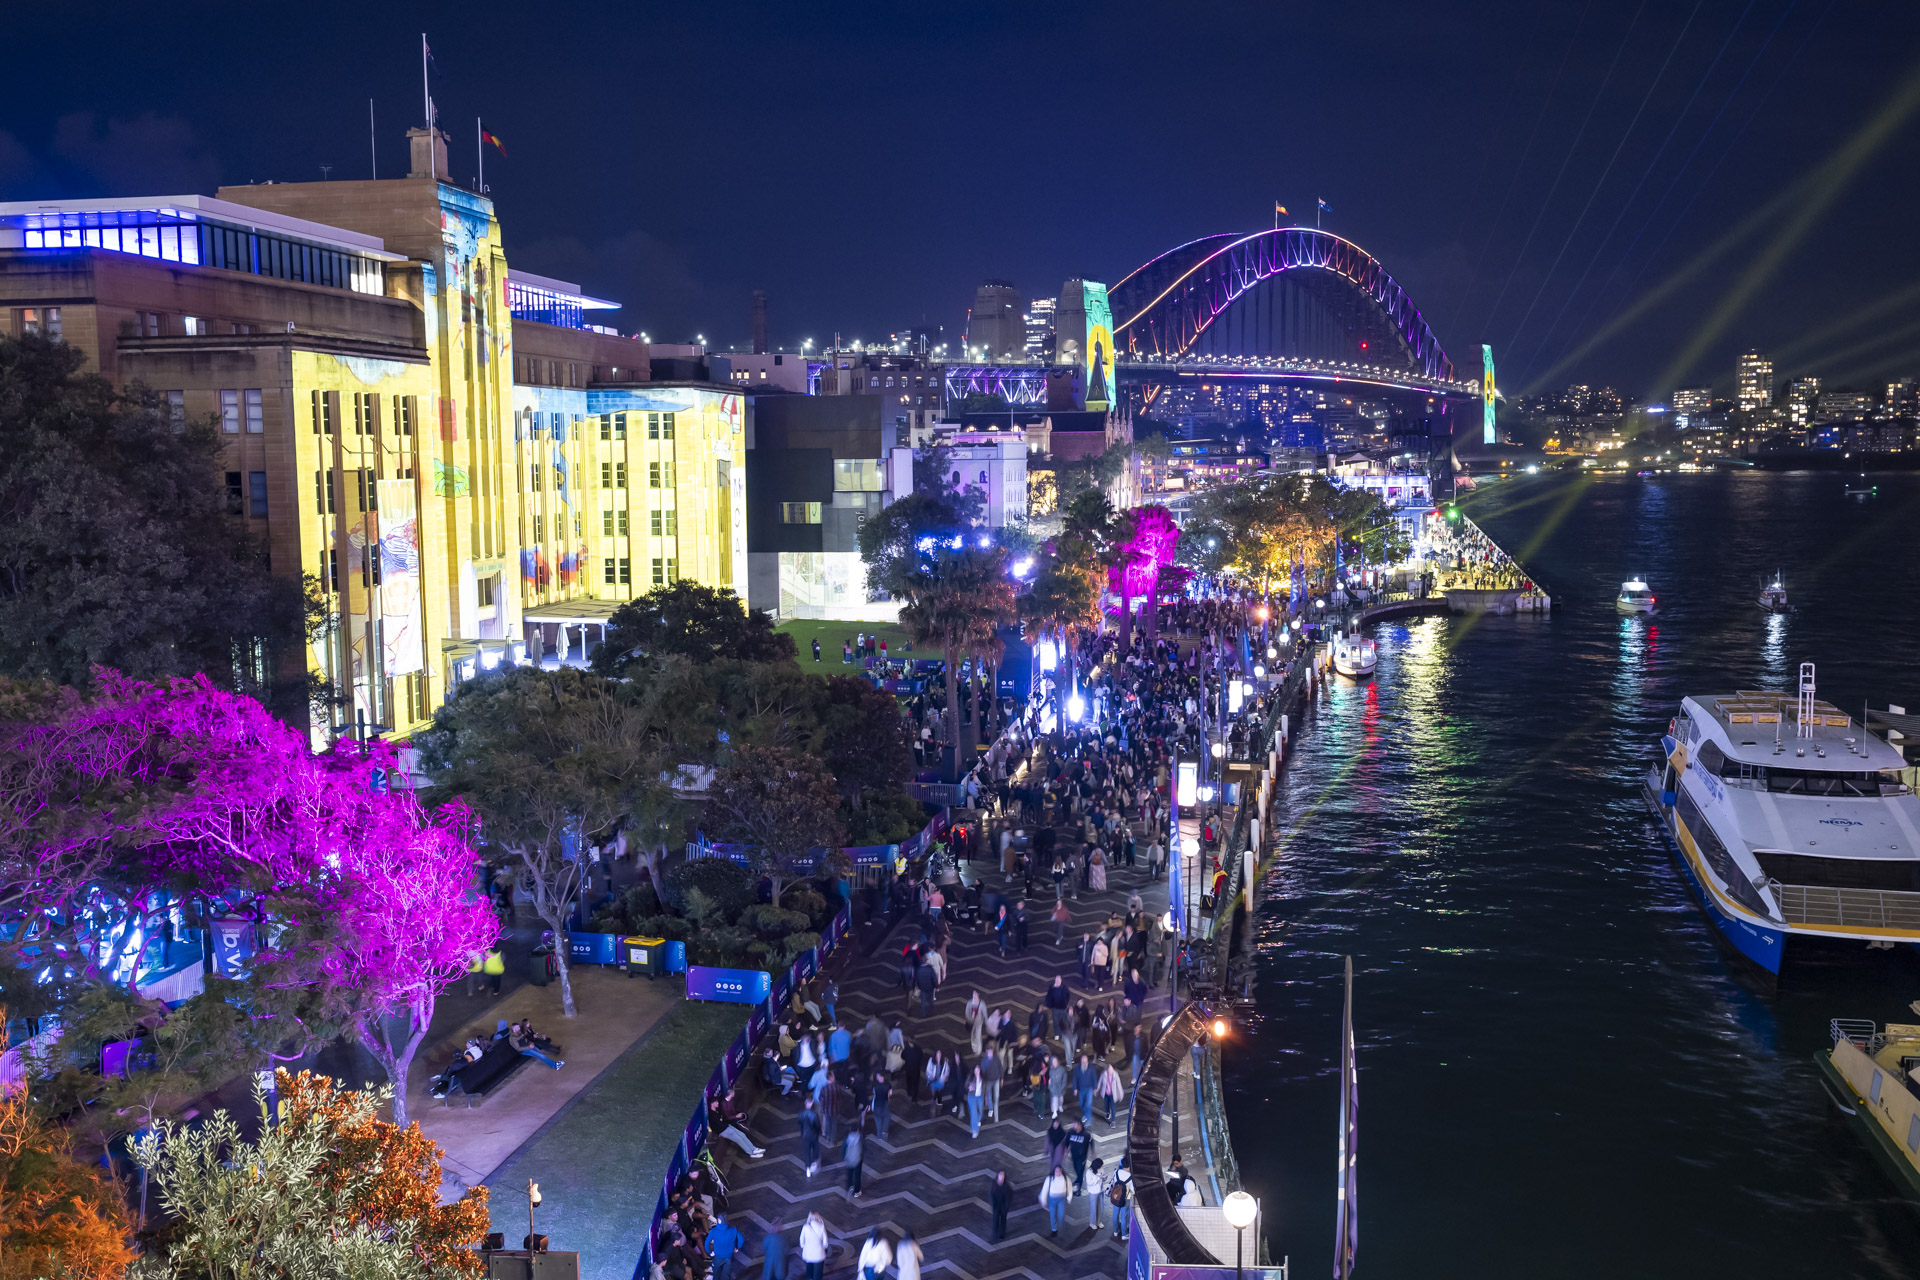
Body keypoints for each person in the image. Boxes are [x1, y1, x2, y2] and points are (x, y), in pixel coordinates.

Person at [705, 1212, 745, 1280]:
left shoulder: (714, 1231)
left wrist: (710, 1252)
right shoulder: (733, 1229)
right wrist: (737, 1248)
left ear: (719, 1221)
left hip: (717, 1257)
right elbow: (741, 1239)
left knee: (716, 1274)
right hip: (729, 1256)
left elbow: (707, 1243)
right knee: (726, 1275)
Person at [1040, 1164, 1072, 1235]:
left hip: (1062, 1199)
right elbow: (1044, 1190)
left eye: (1058, 1170)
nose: (1057, 1172)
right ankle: (1054, 1229)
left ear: (1061, 1170)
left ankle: (1060, 1227)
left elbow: (1069, 1189)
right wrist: (1043, 1201)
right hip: (1052, 1199)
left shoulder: (1066, 1178)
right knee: (1052, 1214)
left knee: (1061, 1215)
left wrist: (1069, 1198)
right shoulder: (1049, 1179)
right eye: (1056, 1171)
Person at [1109, 1156, 1133, 1240]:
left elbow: (1113, 1182)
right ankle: (1124, 1234)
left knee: (1115, 1214)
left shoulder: (1116, 1172)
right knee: (1124, 1217)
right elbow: (1132, 1189)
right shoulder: (1130, 1176)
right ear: (1129, 1166)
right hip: (1125, 1198)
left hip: (1116, 1196)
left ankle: (1115, 1231)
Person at [799, 1213, 829, 1280]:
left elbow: (801, 1239)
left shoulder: (806, 1227)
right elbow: (825, 1241)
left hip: (808, 1252)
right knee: (818, 1272)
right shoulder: (821, 1226)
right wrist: (823, 1248)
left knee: (809, 1268)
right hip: (818, 1253)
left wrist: (804, 1246)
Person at [798, 1097, 822, 1177]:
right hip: (814, 1135)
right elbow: (817, 1126)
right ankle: (814, 1164)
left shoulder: (800, 1114)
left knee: (807, 1152)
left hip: (805, 1135)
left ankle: (807, 1169)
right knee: (815, 1149)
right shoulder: (814, 1115)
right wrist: (818, 1132)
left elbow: (800, 1124)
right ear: (811, 1104)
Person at [980, 1046, 1003, 1123]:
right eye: (988, 1052)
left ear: (992, 1051)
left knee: (996, 1097)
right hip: (988, 1081)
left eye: (990, 1052)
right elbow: (982, 1072)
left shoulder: (996, 1059)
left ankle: (996, 1117)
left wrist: (1002, 1078)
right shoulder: (984, 1061)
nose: (989, 1053)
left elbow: (1000, 1068)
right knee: (989, 1096)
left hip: (996, 1080)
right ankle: (991, 1109)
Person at [988, 1170, 1013, 1241]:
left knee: (1003, 1220)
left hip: (1003, 1206)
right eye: (1000, 1175)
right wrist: (993, 1204)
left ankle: (1002, 1234)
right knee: (995, 1220)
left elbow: (1010, 1196)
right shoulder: (993, 1184)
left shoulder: (1007, 1186)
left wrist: (1006, 1206)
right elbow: (991, 1195)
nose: (1001, 1177)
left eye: (1003, 1176)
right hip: (996, 1206)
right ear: (997, 1176)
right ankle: (995, 1234)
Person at [1084, 1157, 1105, 1229]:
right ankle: (1092, 1223)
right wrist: (1098, 1178)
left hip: (1100, 1191)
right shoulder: (1089, 1172)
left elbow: (1102, 1176)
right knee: (1093, 1208)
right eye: (1100, 1166)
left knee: (1101, 1207)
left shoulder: (1101, 1169)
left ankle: (1099, 1222)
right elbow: (1089, 1183)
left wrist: (1104, 1178)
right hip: (1093, 1192)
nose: (1102, 1167)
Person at [842, 1126, 864, 1198]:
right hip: (858, 1160)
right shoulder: (860, 1138)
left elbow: (843, 1150)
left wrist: (844, 1158)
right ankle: (857, 1192)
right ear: (857, 1130)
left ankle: (849, 1187)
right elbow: (864, 1148)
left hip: (849, 1160)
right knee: (857, 1176)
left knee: (849, 1175)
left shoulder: (846, 1139)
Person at [965, 1065, 984, 1138]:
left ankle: (975, 1123)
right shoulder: (971, 1077)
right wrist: (969, 1087)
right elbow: (966, 1085)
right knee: (974, 1114)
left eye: (978, 1070)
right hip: (972, 1097)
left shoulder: (982, 1078)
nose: (977, 1072)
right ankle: (975, 1131)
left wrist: (985, 1097)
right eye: (975, 1070)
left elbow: (984, 1087)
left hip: (979, 1097)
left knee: (980, 1112)